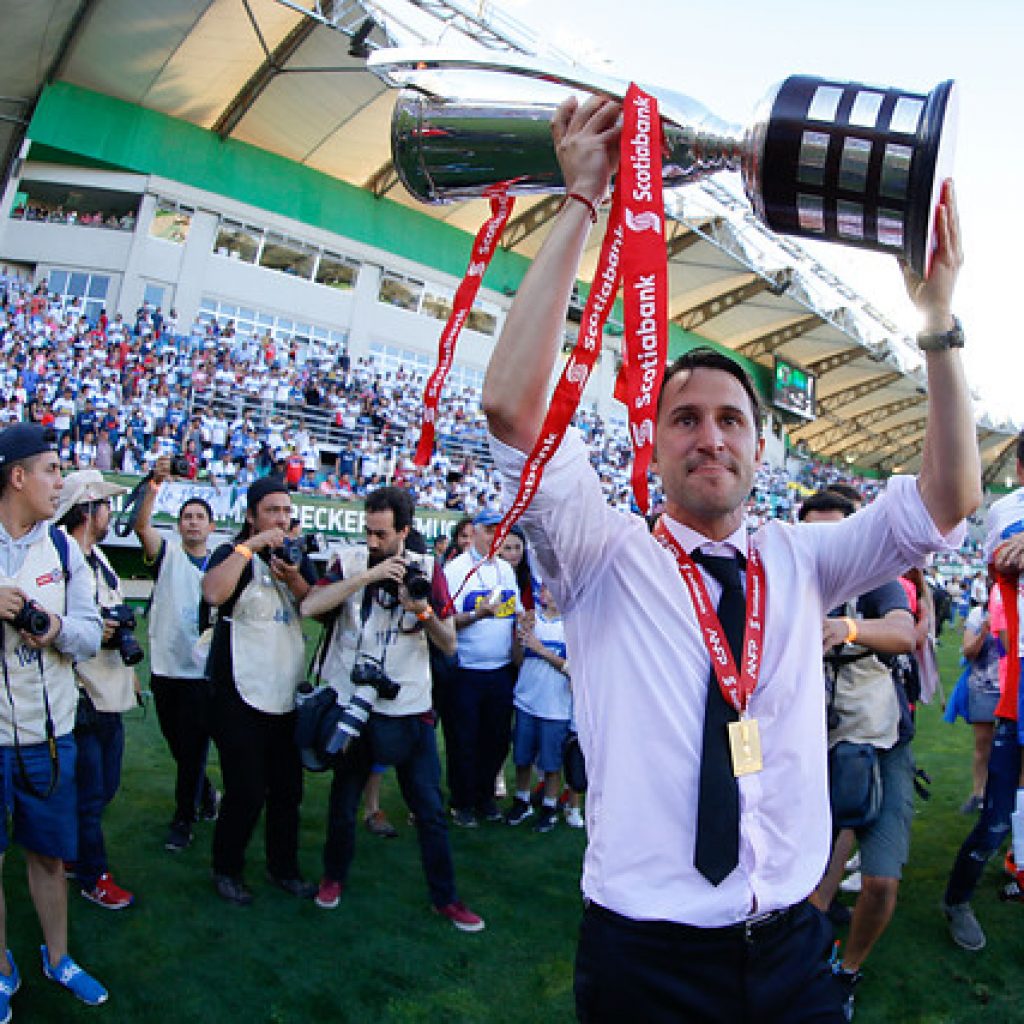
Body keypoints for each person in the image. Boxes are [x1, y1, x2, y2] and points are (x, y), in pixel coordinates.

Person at [480, 93, 978, 1023]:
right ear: (655, 445)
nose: (709, 436)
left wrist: (937, 319)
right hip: (647, 958)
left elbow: (949, 496)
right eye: (684, 419)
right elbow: (514, 409)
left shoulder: (803, 559)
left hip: (791, 947)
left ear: (760, 446)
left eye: (730, 419)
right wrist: (582, 199)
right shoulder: (600, 552)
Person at [300, 486, 484, 931]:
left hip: (409, 705)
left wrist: (421, 611)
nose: (372, 541)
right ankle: (333, 877)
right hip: (353, 700)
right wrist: (368, 575)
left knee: (430, 809)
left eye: (381, 534)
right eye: (368, 531)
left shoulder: (427, 569)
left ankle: (446, 898)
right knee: (344, 802)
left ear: (404, 531)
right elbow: (310, 605)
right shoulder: (350, 560)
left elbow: (449, 643)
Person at [0, 424, 107, 1013]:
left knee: (48, 857)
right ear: (18, 477)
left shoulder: (65, 549)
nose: (60, 483)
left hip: (47, 736)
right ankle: (1, 969)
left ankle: (58, 957)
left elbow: (91, 635)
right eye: (52, 470)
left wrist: (56, 628)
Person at [800, 489, 917, 1021]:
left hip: (877, 742)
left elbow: (904, 632)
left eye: (837, 532)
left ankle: (846, 972)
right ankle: (802, 952)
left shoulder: (874, 579)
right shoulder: (787, 579)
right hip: (804, 744)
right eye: (815, 533)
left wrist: (843, 628)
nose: (826, 544)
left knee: (881, 879)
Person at [201, 476, 318, 905]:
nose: (281, 519)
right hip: (238, 693)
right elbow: (213, 593)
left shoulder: (296, 557)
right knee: (246, 790)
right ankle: (226, 868)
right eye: (272, 511)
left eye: (286, 511)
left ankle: (282, 867)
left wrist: (295, 578)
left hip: (285, 692)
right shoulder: (232, 553)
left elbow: (315, 606)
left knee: (288, 791)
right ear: (252, 516)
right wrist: (251, 546)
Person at [942, 430, 1024, 949]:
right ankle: (957, 899)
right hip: (1021, 677)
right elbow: (1007, 563)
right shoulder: (1008, 510)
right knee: (995, 817)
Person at [55, 470, 138, 913]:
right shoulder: (63, 559)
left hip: (109, 689)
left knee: (103, 787)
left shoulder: (97, 558)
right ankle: (93, 875)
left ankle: (73, 854)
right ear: (87, 510)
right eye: (104, 504)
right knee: (91, 794)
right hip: (82, 691)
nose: (109, 512)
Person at [133, 455, 220, 852]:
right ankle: (206, 793)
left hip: (202, 674)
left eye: (200, 517)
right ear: (179, 524)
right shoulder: (168, 554)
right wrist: (154, 488)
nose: (193, 522)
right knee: (178, 747)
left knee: (192, 751)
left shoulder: (222, 563)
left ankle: (183, 819)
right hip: (167, 668)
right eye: (187, 517)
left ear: (211, 526)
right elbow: (141, 526)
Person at [443, 510, 520, 827]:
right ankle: (462, 802)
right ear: (474, 532)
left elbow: (514, 613)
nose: (494, 536)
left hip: (500, 670)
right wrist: (477, 615)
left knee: (497, 739)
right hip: (466, 670)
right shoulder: (455, 570)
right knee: (463, 740)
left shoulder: (505, 570)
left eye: (499, 530)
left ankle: (484, 796)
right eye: (489, 530)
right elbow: (442, 621)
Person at [505, 581, 571, 834]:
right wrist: (519, 637)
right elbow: (517, 660)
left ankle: (549, 806)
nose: (549, 594)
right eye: (545, 589)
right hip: (527, 700)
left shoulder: (572, 627)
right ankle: (522, 800)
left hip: (555, 706)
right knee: (522, 757)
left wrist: (541, 649)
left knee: (551, 762)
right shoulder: (531, 621)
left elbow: (573, 669)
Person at [957, 584, 1001, 814]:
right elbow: (968, 651)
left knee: (1013, 745)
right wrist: (984, 631)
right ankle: (978, 792)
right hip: (983, 686)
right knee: (983, 743)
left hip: (1012, 688)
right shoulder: (978, 614)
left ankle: (1008, 795)